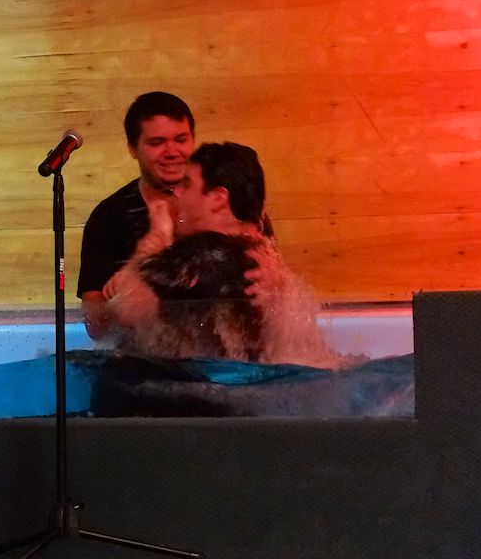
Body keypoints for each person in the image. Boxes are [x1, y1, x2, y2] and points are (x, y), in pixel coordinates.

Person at [108, 142, 342, 369]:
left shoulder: (203, 255)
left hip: (203, 387)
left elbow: (126, 311)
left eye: (187, 184)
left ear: (218, 198)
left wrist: (157, 236)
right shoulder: (262, 255)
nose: (176, 192)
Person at [78, 92, 196, 339]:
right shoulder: (109, 217)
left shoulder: (221, 204)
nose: (172, 151)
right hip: (140, 355)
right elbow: (96, 327)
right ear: (133, 148)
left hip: (215, 355)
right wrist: (131, 284)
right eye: (157, 142)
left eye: (181, 139)